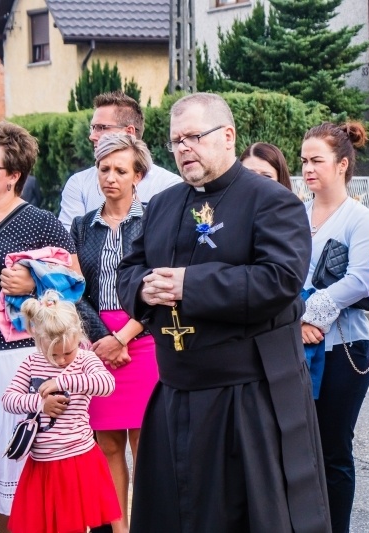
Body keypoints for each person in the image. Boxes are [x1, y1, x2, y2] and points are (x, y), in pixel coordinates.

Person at [115, 92, 330, 532]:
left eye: (194, 136)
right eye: (176, 141)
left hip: (244, 397)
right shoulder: (161, 205)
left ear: (228, 135)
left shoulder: (271, 201)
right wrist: (144, 288)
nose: (183, 149)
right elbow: (127, 270)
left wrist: (189, 285)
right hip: (175, 389)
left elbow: (280, 280)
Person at [0, 122, 76, 533]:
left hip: (15, 365)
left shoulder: (40, 223)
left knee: (17, 485)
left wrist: (35, 282)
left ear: (14, 176)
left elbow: (74, 285)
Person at [70, 133, 158, 532]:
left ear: (138, 175)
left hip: (144, 338)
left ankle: (147, 525)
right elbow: (74, 290)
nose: (110, 177)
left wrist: (123, 337)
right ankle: (116, 528)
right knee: (106, 445)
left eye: (120, 170)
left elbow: (160, 287)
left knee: (146, 445)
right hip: (95, 341)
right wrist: (101, 337)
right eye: (103, 169)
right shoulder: (80, 226)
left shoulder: (156, 220)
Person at [299, 121, 369, 532]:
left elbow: (362, 279)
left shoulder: (359, 218)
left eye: (317, 160)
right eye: (304, 161)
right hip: (295, 344)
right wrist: (296, 318)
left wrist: (313, 312)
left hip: (344, 348)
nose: (308, 169)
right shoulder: (294, 213)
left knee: (333, 451)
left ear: (343, 164)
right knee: (299, 451)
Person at [2, 291, 119, 533]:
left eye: (68, 352)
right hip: (42, 463)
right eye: (53, 355)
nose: (62, 360)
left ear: (78, 337)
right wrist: (39, 404)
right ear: (38, 339)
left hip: (79, 458)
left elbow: (107, 385)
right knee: (46, 525)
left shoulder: (86, 360)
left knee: (77, 523)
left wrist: (63, 383)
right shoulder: (30, 363)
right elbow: (9, 399)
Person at [58, 91, 182, 231]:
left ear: (129, 132)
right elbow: (68, 245)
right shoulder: (79, 184)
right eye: (92, 128)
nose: (92, 136)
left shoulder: (169, 186)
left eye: (101, 127)